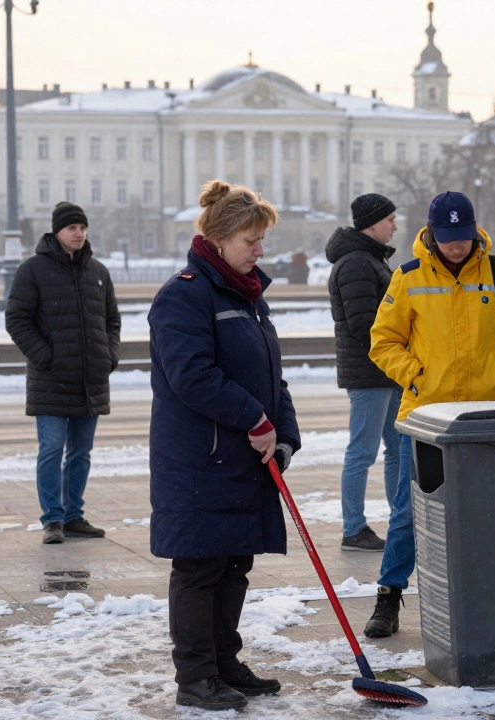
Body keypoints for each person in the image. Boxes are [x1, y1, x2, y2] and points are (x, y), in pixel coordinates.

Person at [148, 181, 300, 711]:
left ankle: (223, 661)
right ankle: (195, 675)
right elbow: (192, 376)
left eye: (260, 241)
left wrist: (284, 436)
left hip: (242, 460)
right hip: (199, 462)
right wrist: (254, 418)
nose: (260, 251)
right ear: (217, 239)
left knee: (235, 564)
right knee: (200, 566)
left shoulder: (248, 297)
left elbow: (271, 377)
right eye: (251, 240)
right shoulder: (184, 295)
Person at [362, 191, 495, 638]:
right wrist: (415, 375)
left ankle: (487, 591)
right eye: (447, 239)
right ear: (432, 234)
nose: (456, 247)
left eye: (462, 238)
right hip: (425, 418)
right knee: (408, 513)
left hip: (486, 417)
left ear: (474, 231)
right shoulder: (408, 277)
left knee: (489, 513)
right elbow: (382, 341)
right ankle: (389, 596)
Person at [5, 201, 120, 545]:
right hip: (51, 380)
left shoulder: (98, 272)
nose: (79, 233)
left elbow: (112, 320)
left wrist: (109, 356)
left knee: (81, 453)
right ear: (57, 231)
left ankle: (73, 516)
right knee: (52, 450)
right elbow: (16, 319)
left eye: (82, 227)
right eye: (72, 228)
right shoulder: (33, 270)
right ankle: (52, 519)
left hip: (90, 380)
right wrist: (45, 356)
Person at [326, 193, 402, 552]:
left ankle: (402, 517)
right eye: (390, 219)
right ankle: (353, 528)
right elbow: (364, 323)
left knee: (399, 447)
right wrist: (400, 338)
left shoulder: (369, 259)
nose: (395, 225)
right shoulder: (357, 263)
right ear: (372, 223)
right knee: (363, 452)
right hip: (370, 371)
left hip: (385, 370)